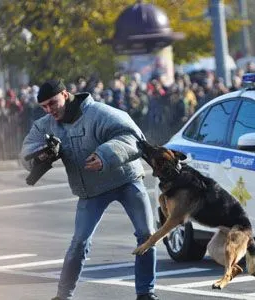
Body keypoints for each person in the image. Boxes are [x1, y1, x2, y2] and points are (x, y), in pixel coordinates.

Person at [20, 79, 159, 300]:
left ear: (65, 95)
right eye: (44, 106)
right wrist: (43, 154)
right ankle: (63, 296)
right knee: (79, 243)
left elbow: (132, 136)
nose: (49, 110)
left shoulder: (98, 112)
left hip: (126, 179)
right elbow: (26, 154)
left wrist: (105, 155)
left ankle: (146, 293)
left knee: (147, 235)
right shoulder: (44, 125)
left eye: (52, 103)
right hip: (91, 190)